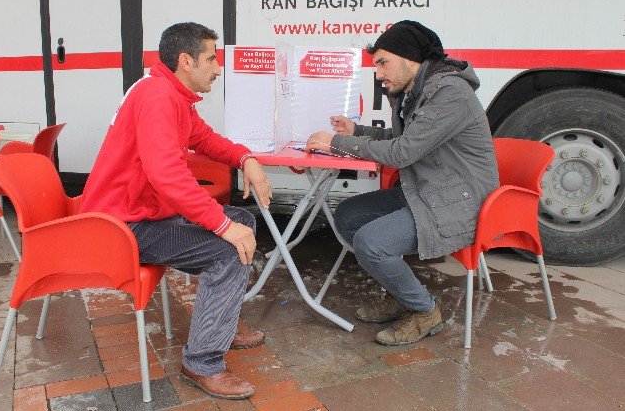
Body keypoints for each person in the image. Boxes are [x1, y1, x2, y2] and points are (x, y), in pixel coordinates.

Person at [80, 22, 273, 399]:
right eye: (211, 58)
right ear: (186, 61)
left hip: (145, 216)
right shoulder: (157, 98)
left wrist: (244, 157)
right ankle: (201, 362)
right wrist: (219, 225)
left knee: (243, 221)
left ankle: (220, 322)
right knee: (229, 247)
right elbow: (167, 176)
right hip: (123, 227)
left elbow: (204, 139)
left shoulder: (171, 94)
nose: (218, 68)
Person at [306, 20, 499, 346]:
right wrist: (356, 131)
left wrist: (337, 143)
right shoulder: (416, 91)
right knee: (348, 214)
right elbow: (401, 139)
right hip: (429, 191)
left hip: (461, 202)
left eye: (383, 62)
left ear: (411, 59)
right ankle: (403, 295)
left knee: (371, 242)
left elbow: (402, 151)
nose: (378, 73)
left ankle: (425, 311)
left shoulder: (450, 93)